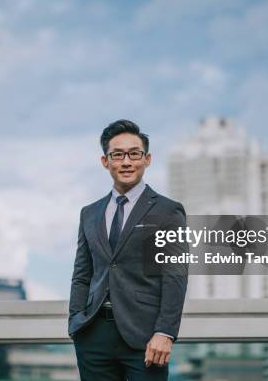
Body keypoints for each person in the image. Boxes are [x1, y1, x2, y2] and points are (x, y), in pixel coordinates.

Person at [69, 119, 188, 380]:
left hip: (146, 337)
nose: (126, 162)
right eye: (118, 155)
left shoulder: (168, 211)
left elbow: (175, 276)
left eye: (134, 154)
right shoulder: (90, 213)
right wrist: (76, 322)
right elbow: (82, 274)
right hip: (93, 335)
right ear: (105, 161)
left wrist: (165, 332)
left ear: (147, 159)